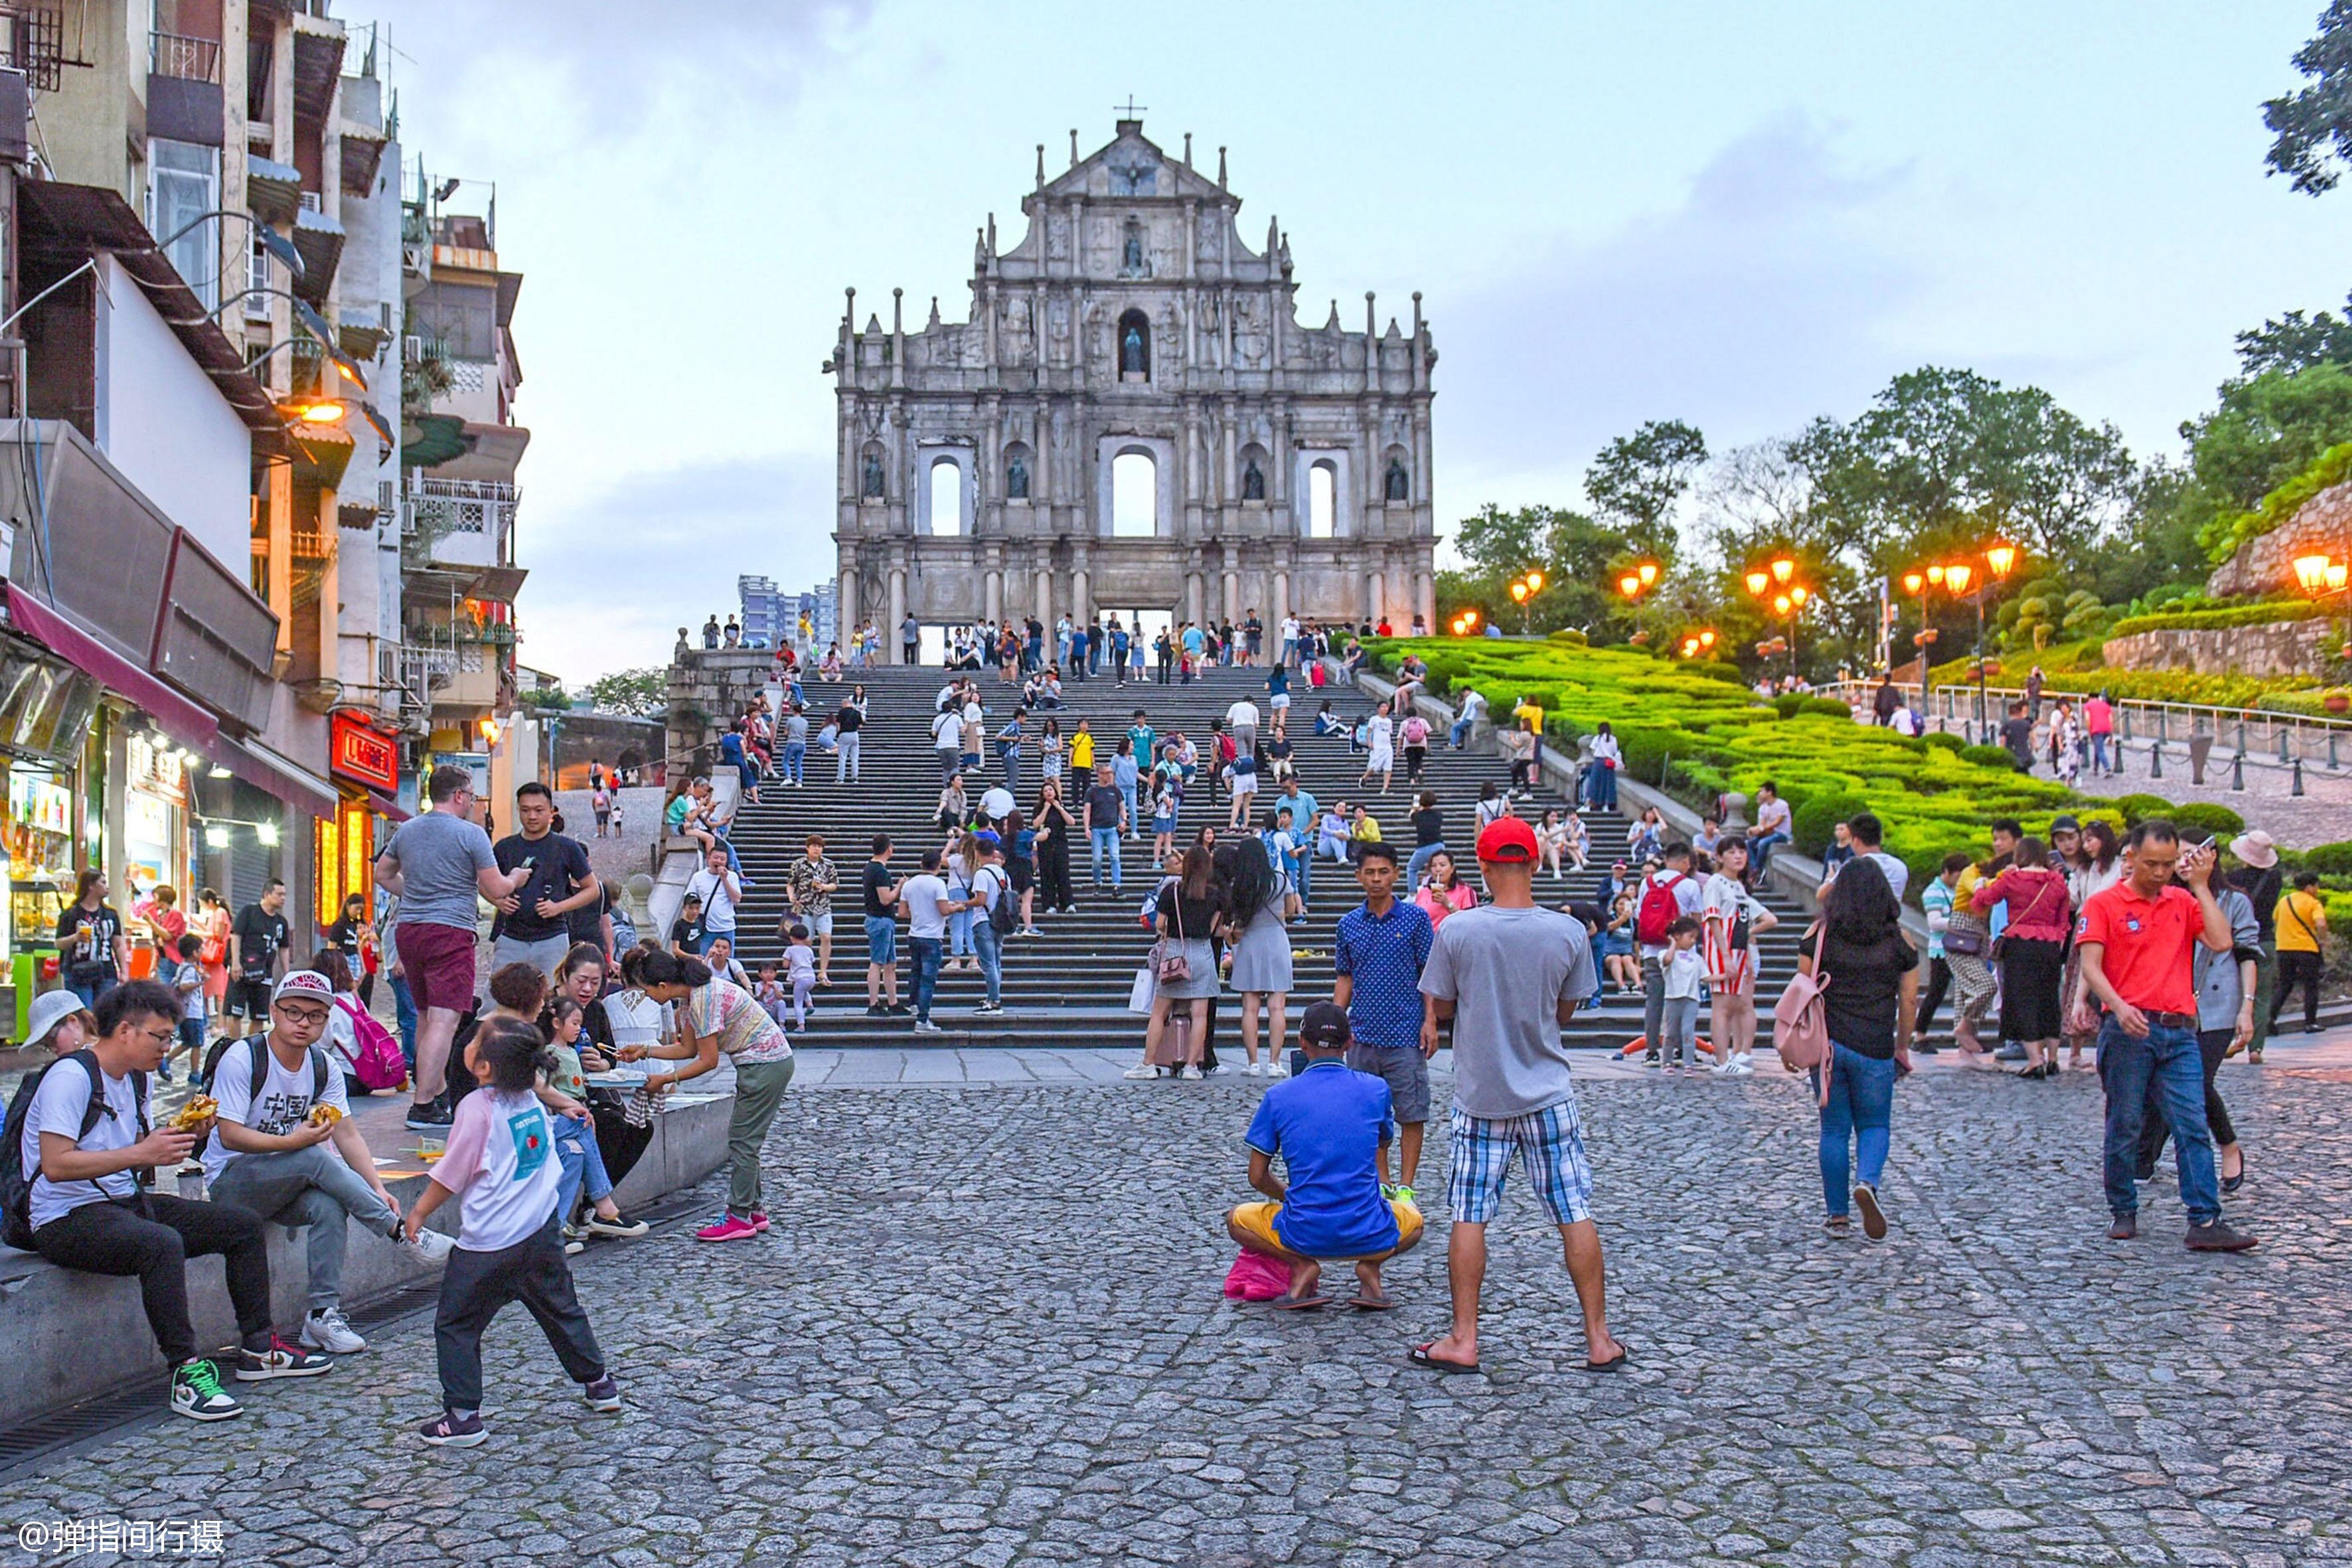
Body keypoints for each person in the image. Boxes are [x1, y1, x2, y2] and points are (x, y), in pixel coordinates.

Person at [16, 980, 345, 1422]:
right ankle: (186, 1373)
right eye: (161, 1037)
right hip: (63, 1218)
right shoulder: (72, 1076)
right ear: (126, 1031)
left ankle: (259, 1348)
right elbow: (56, 1164)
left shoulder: (136, 1080)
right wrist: (141, 1153)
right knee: (161, 1243)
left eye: (171, 1036)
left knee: (241, 1226)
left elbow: (137, 1153)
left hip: (122, 1202)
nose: (169, 1046)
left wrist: (190, 1134)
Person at [1411, 817, 1620, 1375]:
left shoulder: (1457, 931)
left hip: (1481, 1095)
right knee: (1574, 1212)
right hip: (1548, 1091)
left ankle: (1463, 1337)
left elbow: (1445, 1007)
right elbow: (1565, 1011)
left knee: (1469, 1215)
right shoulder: (1568, 933)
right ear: (1532, 863)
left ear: (1481, 868)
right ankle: (1598, 1339)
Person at [399, 1015, 619, 1447]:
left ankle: (463, 1416)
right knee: (562, 1310)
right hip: (541, 1233)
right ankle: (599, 1384)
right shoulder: (532, 1102)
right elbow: (539, 1090)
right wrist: (564, 1103)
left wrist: (418, 1213)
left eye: (476, 1040)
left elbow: (453, 1173)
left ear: (482, 1067)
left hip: (489, 1244)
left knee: (457, 1324)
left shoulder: (476, 1108)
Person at [202, 970, 411, 1355]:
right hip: (231, 1181)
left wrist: (378, 1189)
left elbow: (347, 1133)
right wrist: (290, 1141)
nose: (303, 1023)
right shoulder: (244, 1057)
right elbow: (229, 1134)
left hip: (285, 1180)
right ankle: (400, 1233)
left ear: (326, 1021)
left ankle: (322, 1316)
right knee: (312, 1153)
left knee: (329, 1206)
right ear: (274, 1011)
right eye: (293, 1012)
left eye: (315, 1016)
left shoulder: (323, 1065)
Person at [2077, 821, 2256, 1251]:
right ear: (2131, 858)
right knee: (2124, 1124)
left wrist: (2199, 886)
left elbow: (2219, 940)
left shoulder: (2181, 900)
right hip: (2126, 1031)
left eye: (2167, 864)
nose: (2160, 872)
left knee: (2191, 1125)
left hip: (2178, 1032)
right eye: (2152, 864)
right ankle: (2123, 1208)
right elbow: (2090, 965)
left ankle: (2205, 1219)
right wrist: (2118, 1007)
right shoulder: (2103, 904)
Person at [1226, 1002, 1426, 1310]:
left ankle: (1301, 1265)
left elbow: (1256, 1176)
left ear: (1301, 1043)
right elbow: (1383, 1143)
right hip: (1368, 1229)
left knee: (1236, 1220)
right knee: (1415, 1221)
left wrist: (1288, 1195)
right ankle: (1370, 1268)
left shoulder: (1278, 1096)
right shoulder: (1376, 1089)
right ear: (1349, 1043)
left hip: (1302, 1232)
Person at [378, 765, 531, 1133]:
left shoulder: (408, 830)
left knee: (426, 1016)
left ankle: (438, 1091)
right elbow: (496, 889)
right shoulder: (471, 834)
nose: (474, 803)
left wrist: (414, 894)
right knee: (445, 1021)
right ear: (459, 796)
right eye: (473, 796)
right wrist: (517, 878)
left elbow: (383, 874)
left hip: (410, 930)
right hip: (450, 931)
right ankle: (423, 1106)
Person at [621, 950, 798, 1242]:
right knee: (745, 1138)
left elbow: (708, 1061)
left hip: (765, 1064)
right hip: (765, 1063)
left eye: (647, 989)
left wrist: (666, 1079)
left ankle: (739, 1215)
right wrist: (645, 1050)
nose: (646, 996)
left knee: (743, 1140)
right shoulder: (692, 996)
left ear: (663, 985)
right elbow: (687, 1049)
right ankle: (754, 1210)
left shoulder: (702, 1000)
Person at [1795, 856, 1918, 1241]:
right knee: (1875, 1124)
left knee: (1833, 1130)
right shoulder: (1901, 940)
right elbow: (1911, 1000)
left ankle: (1837, 1217)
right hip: (1876, 1046)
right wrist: (1902, 1045)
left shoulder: (1818, 935)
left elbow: (1801, 993)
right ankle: (1867, 1182)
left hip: (1828, 1047)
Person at [2138, 866, 2258, 1192]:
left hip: (2217, 1003)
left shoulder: (2234, 901)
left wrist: (2247, 1007)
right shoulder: (2162, 897)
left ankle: (2228, 1146)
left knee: (2198, 1081)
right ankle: (2145, 1155)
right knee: (2163, 1080)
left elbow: (2246, 953)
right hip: (2169, 1001)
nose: (2185, 862)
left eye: (2194, 853)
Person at [1332, 843, 1437, 1199]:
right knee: (1368, 1115)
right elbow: (1344, 977)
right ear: (1358, 876)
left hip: (1406, 1031)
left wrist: (1431, 1020)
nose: (1377, 879)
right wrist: (1335, 1022)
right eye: (1370, 873)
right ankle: (1381, 1181)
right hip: (1362, 1033)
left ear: (1395, 873)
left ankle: (1406, 1185)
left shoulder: (1415, 919)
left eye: (1384, 872)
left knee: (1412, 1112)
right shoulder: (1348, 925)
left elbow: (1429, 974)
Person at [1971, 836, 2069, 1077]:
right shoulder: (2057, 881)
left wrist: (1979, 886)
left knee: (2023, 1000)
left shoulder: (2012, 879)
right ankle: (2053, 1059)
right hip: (2050, 946)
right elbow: (2064, 920)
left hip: (2020, 945)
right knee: (2049, 1000)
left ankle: (2035, 1060)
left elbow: (1981, 902)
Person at [1130, 844, 1222, 1081]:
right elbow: (1213, 929)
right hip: (1203, 952)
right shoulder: (1214, 894)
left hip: (1175, 952)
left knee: (1160, 1012)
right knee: (1200, 1014)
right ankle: (1192, 1066)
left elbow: (1160, 924)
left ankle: (1148, 1063)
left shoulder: (1172, 891)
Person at [490, 782, 601, 978]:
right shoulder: (504, 847)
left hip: (552, 937)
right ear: (518, 810)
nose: (532, 816)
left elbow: (592, 889)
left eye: (538, 810)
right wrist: (498, 901)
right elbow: (483, 883)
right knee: (498, 997)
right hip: (511, 936)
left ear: (551, 812)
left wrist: (559, 907)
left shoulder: (567, 847)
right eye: (525, 810)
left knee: (551, 998)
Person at [1218, 838, 1298, 1075]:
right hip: (1276, 941)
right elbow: (1291, 910)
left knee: (1250, 1008)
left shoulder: (1238, 885)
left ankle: (1252, 1062)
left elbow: (1233, 917)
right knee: (1277, 1007)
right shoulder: (1281, 880)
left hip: (1249, 942)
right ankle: (1274, 1062)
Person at [1700, 838, 1778, 1073]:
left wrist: (1744, 957)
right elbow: (1713, 920)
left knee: (1734, 1005)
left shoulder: (1738, 886)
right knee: (1722, 1007)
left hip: (1739, 950)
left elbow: (1745, 924)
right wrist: (1725, 956)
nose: (1738, 856)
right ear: (1720, 856)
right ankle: (1721, 1059)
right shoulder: (1716, 883)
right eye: (1731, 852)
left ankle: (1732, 1055)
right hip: (1722, 950)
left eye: (1742, 852)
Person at [1635, 844, 1704, 1067]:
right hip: (1682, 954)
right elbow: (1696, 919)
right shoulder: (1690, 885)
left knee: (1654, 1001)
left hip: (1653, 950)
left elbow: (1639, 914)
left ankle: (1652, 1051)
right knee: (1683, 1000)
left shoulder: (1648, 882)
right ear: (1685, 861)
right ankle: (1682, 1050)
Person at [225, 880, 291, 1043]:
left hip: (264, 973)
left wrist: (287, 974)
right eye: (279, 894)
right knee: (236, 1013)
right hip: (242, 970)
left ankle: (251, 1049)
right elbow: (236, 936)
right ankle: (233, 1047)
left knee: (259, 1015)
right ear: (267, 895)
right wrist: (235, 962)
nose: (283, 898)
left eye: (284, 895)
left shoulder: (281, 922)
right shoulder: (249, 912)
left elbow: (284, 948)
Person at [55, 869, 129, 1011]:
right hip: (78, 971)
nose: (107, 886)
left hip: (106, 971)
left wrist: (124, 971)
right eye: (103, 882)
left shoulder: (110, 914)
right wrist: (75, 938)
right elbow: (59, 943)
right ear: (91, 886)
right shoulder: (71, 914)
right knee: (85, 1012)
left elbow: (118, 944)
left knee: (104, 1013)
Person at [900, 850, 957, 1035]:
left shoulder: (910, 884)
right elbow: (943, 910)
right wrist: (957, 907)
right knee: (928, 979)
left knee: (915, 972)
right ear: (938, 865)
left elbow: (902, 913)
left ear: (921, 864)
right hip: (932, 936)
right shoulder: (938, 884)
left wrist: (918, 914)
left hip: (914, 933)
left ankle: (914, 1005)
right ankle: (922, 1020)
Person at [1917, 853, 1968, 1048]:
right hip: (1942, 950)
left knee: (1965, 992)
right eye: (1957, 875)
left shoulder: (1955, 891)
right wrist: (1962, 923)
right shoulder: (1934, 892)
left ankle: (1963, 1034)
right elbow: (1934, 922)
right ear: (1947, 872)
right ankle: (1920, 1034)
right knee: (1936, 992)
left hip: (1958, 947)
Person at [2273, 870, 2329, 1034]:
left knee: (2285, 984)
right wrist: (2323, 939)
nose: (2317, 889)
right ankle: (2310, 1022)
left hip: (2283, 948)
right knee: (2311, 985)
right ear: (2309, 887)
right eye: (2316, 885)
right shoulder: (2313, 903)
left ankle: (2271, 1017)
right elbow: (2320, 924)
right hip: (2306, 949)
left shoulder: (2285, 901)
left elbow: (2276, 919)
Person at [785, 834, 841, 988]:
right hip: (805, 907)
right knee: (807, 941)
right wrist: (791, 896)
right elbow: (790, 883)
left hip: (823, 906)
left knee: (826, 937)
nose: (817, 849)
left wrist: (824, 887)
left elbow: (835, 884)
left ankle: (823, 971)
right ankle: (807, 970)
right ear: (807, 848)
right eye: (814, 846)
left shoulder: (828, 865)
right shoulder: (799, 864)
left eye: (820, 846)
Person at [967, 832, 1012, 1016]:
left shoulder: (982, 874)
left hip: (984, 920)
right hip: (1000, 921)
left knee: (988, 963)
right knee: (996, 961)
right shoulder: (1004, 874)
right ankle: (994, 996)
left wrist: (964, 904)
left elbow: (980, 899)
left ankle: (994, 1001)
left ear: (978, 853)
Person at [862, 835, 907, 1018]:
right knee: (877, 962)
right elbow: (886, 898)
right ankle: (874, 1003)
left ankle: (892, 1001)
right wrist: (900, 886)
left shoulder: (870, 868)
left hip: (881, 920)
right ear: (888, 849)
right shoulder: (879, 871)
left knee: (890, 964)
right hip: (880, 920)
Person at [1657, 917, 1705, 1073]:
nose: (1693, 941)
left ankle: (1689, 1063)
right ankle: (1667, 1061)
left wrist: (1725, 976)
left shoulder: (1696, 958)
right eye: (1690, 937)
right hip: (1672, 998)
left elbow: (1705, 977)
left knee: (1688, 1032)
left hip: (1691, 999)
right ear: (1678, 936)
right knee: (1671, 1032)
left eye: (1695, 938)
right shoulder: (1664, 953)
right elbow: (1668, 960)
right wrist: (1672, 943)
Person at [682, 842, 742, 959]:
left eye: (722, 859)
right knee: (704, 961)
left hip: (727, 927)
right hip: (706, 928)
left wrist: (724, 879)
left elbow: (736, 899)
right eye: (716, 858)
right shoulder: (698, 877)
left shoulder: (732, 876)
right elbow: (689, 899)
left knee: (727, 962)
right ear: (709, 859)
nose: (719, 861)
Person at [1033, 781, 1079, 914]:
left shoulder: (1060, 806)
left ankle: (1068, 903)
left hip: (1060, 843)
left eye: (1051, 790)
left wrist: (1059, 808)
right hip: (1045, 845)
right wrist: (1046, 809)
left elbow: (1072, 822)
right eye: (1046, 791)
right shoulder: (1038, 808)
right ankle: (1049, 904)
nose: (1049, 792)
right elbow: (1036, 824)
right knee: (1047, 874)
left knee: (1063, 873)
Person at [1085, 762, 1127, 892]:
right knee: (1097, 859)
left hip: (1112, 828)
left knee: (1115, 856)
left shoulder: (1115, 790)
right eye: (1107, 773)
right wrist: (1087, 828)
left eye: (1111, 773)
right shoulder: (1092, 791)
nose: (1110, 775)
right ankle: (1097, 881)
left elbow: (1122, 808)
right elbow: (1087, 810)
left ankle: (1117, 884)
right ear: (1099, 774)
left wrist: (1124, 821)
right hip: (1097, 828)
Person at [1413, 851, 1478, 932]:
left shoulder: (1465, 891)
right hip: (1428, 941)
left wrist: (1447, 904)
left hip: (1453, 941)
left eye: (1442, 865)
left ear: (1452, 869)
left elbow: (1472, 922)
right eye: (1433, 866)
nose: (1438, 869)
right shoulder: (1423, 892)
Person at [1749, 783, 1792, 875]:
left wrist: (1761, 828)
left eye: (1762, 791)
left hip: (1781, 833)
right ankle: (1754, 867)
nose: (1760, 793)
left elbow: (1777, 822)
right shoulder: (1763, 808)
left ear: (1769, 792)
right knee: (1749, 843)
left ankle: (1758, 869)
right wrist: (1754, 830)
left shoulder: (1782, 805)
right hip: (1768, 833)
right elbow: (1762, 824)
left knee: (1762, 843)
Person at [1360, 699, 1395, 794]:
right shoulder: (1374, 719)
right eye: (1383, 707)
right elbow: (1369, 732)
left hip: (1388, 747)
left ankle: (1385, 788)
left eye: (1386, 707)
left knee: (1388, 767)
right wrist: (1369, 742)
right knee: (1374, 766)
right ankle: (1364, 778)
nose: (1385, 709)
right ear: (1378, 709)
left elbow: (1389, 733)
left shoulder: (1389, 721)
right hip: (1378, 746)